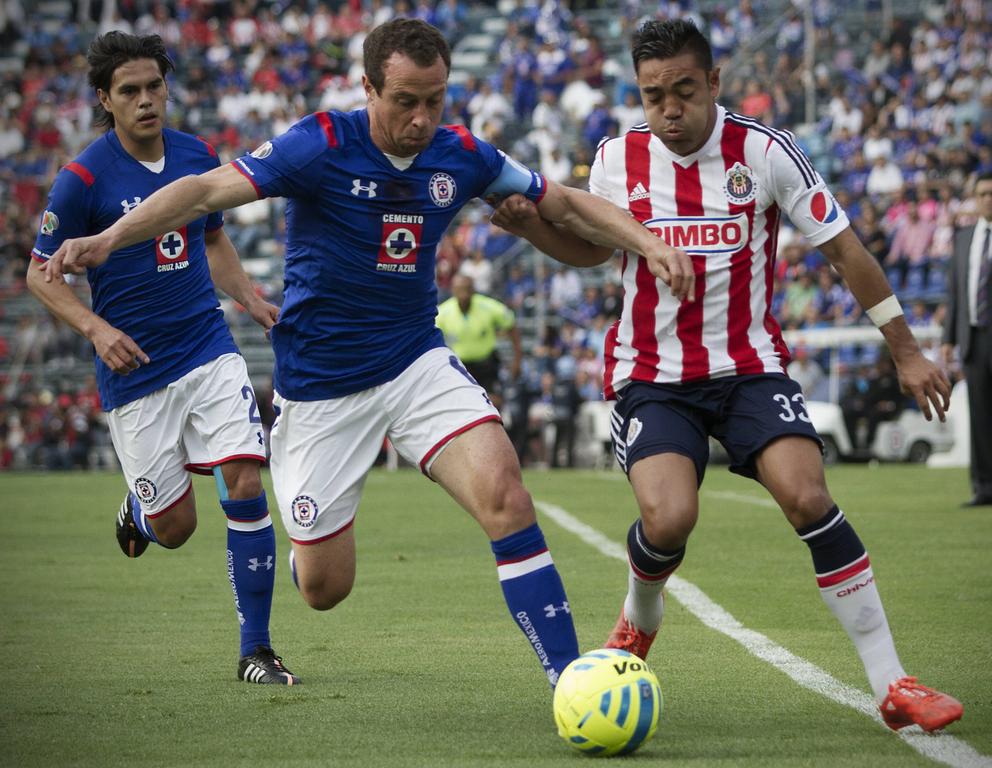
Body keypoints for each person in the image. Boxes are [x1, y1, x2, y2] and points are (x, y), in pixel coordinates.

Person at [40, 19, 693, 688]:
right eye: (405, 101)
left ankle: (568, 681)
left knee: (505, 492)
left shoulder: (460, 152)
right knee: (324, 588)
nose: (421, 119)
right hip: (322, 387)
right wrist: (110, 238)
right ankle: (305, 546)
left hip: (415, 361)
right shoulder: (318, 144)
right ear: (368, 89)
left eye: (435, 100)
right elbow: (204, 192)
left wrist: (649, 244)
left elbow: (565, 204)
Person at [492, 19, 963, 730]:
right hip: (651, 374)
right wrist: (531, 228)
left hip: (748, 368)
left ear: (713, 82)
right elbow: (596, 253)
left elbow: (845, 251)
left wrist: (904, 348)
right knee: (671, 517)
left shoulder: (766, 153)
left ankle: (894, 682)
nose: (670, 110)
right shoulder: (619, 159)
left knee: (808, 497)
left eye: (684, 91)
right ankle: (638, 619)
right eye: (654, 97)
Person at [25, 32, 298, 684]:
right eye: (130, 91)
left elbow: (213, 242)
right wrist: (95, 330)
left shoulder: (196, 156)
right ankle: (141, 513)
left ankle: (255, 651)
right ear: (105, 100)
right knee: (176, 528)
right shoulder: (82, 179)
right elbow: (41, 275)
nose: (147, 100)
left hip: (206, 346)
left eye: (155, 86)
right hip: (134, 370)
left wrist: (253, 302)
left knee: (246, 480)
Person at [941, 172, 992, 507]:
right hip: (973, 338)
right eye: (982, 194)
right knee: (979, 417)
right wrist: (949, 337)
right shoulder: (964, 238)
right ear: (974, 198)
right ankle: (985, 488)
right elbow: (956, 291)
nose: (988, 199)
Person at [435, 273, 520, 411]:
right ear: (452, 290)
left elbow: (511, 324)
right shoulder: (444, 312)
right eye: (459, 289)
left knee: (493, 404)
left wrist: (517, 360)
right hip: (460, 368)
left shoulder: (488, 306)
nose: (463, 293)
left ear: (473, 289)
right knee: (460, 407)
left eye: (466, 288)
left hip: (487, 365)